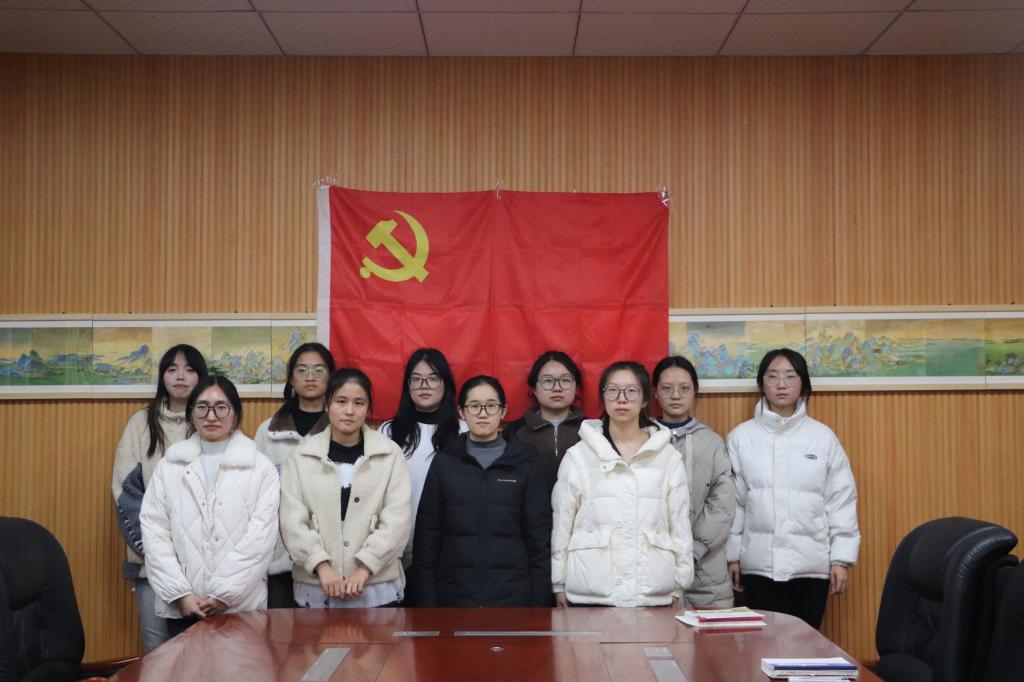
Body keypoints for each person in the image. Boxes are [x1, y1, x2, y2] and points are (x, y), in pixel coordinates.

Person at [726, 348, 860, 629]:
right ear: (762, 383)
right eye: (772, 376)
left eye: (790, 376)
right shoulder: (740, 438)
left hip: (810, 565)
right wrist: (732, 556)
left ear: (803, 384)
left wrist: (841, 559)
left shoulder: (822, 438)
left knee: (806, 644)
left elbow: (841, 500)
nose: (781, 384)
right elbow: (735, 503)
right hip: (757, 564)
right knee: (761, 645)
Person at [140, 376, 280, 638]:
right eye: (202, 407)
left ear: (235, 413)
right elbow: (154, 532)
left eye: (221, 407)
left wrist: (223, 594)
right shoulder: (169, 466)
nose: (211, 416)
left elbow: (261, 538)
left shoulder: (260, 468)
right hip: (183, 609)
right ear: (191, 414)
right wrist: (180, 594)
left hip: (242, 608)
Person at [552, 360, 693, 608]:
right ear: (603, 397)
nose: (622, 399)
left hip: (652, 592)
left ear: (645, 399)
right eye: (613, 390)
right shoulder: (578, 456)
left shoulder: (668, 458)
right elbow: (562, 523)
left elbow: (680, 526)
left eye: (631, 391)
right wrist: (558, 583)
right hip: (590, 591)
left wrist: (680, 584)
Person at [414, 375, 551, 607]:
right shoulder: (445, 462)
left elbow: (539, 540)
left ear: (503, 411)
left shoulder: (525, 461)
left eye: (491, 405)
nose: (483, 413)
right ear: (462, 412)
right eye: (474, 406)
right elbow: (427, 538)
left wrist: (539, 603)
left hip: (512, 597)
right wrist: (427, 602)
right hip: (455, 596)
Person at [280, 368, 412, 608]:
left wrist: (365, 568)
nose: (349, 410)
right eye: (341, 401)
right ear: (327, 404)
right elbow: (291, 522)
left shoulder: (390, 454)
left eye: (359, 403)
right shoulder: (300, 456)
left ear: (368, 408)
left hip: (377, 588)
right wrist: (321, 566)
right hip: (316, 588)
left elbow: (397, 521)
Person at [111, 344, 208, 652]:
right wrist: (155, 551)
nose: (180, 376)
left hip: (203, 565)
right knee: (157, 653)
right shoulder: (141, 424)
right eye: (172, 369)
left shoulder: (211, 422)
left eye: (189, 369)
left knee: (204, 653)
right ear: (162, 376)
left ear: (201, 377)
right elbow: (125, 493)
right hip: (150, 566)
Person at [377, 348, 462, 604]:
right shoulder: (388, 432)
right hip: (396, 549)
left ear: (445, 384)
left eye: (433, 378)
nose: (424, 385)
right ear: (408, 385)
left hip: (449, 552)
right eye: (416, 379)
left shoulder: (464, 431)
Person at [254, 342, 335, 608]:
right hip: (279, 555)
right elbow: (255, 495)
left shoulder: (341, 429)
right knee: (281, 630)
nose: (310, 376)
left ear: (331, 377)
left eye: (319, 370)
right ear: (291, 378)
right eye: (302, 370)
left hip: (328, 557)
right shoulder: (267, 431)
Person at [652, 356, 735, 609]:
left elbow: (723, 503)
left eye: (684, 388)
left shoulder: (712, 442)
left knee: (709, 635)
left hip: (707, 572)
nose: (676, 395)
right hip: (654, 568)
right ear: (654, 392)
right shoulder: (643, 439)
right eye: (667, 388)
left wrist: (696, 548)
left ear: (695, 392)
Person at [503, 350, 585, 492]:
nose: (557, 388)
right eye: (548, 381)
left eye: (565, 380)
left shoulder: (592, 430)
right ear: (534, 389)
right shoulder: (514, 432)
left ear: (576, 387)